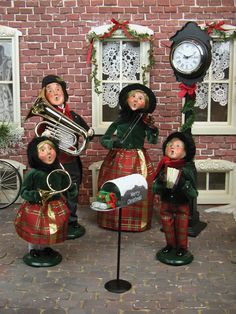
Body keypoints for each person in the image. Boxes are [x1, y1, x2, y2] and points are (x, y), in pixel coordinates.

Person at [38, 75, 94, 239]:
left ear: (64, 92)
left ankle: (71, 221)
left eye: (58, 89)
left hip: (71, 162)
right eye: (50, 91)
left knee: (72, 192)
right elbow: (39, 143)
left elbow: (87, 131)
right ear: (45, 96)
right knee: (56, 192)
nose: (55, 93)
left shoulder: (74, 116)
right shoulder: (46, 118)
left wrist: (89, 133)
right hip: (54, 163)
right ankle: (57, 221)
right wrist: (44, 135)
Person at [97, 83, 158, 232]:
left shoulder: (144, 122)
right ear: (126, 99)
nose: (136, 100)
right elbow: (104, 139)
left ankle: (137, 222)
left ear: (146, 104)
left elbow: (152, 141)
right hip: (118, 157)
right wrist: (114, 143)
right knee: (115, 187)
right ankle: (112, 221)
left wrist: (152, 128)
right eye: (133, 97)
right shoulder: (120, 120)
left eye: (140, 98)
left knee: (138, 188)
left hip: (138, 157)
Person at [14, 136, 76, 267]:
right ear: (35, 155)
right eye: (43, 150)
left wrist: (71, 190)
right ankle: (33, 249)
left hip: (54, 205)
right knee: (35, 228)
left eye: (50, 148)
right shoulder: (34, 173)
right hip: (36, 207)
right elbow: (24, 192)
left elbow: (66, 186)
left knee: (50, 228)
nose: (48, 152)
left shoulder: (58, 170)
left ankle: (45, 247)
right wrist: (37, 195)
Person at [153, 131, 198, 263]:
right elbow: (155, 187)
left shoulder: (188, 169)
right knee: (166, 224)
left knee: (181, 226)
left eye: (177, 145)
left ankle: (182, 248)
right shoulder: (163, 165)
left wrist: (183, 183)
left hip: (181, 203)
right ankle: (170, 245)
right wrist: (160, 182)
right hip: (166, 201)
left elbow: (194, 193)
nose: (172, 147)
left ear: (185, 151)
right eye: (170, 144)